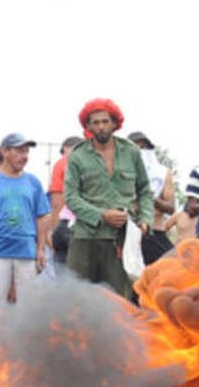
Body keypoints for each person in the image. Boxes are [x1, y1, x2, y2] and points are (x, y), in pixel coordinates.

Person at [64, 98, 153, 298]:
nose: (101, 127)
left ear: (114, 123)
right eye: (95, 122)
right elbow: (71, 197)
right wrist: (102, 215)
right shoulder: (78, 156)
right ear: (87, 126)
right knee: (76, 299)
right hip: (85, 238)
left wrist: (145, 219)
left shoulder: (131, 152)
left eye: (105, 121)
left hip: (121, 239)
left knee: (118, 299)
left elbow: (145, 189)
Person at [0, 133, 49, 305]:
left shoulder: (33, 182)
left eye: (26, 152)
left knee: (27, 305)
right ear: (5, 152)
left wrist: (41, 249)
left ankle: (23, 333)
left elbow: (42, 217)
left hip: (26, 251)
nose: (24, 156)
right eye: (19, 151)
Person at [128, 131, 175, 266]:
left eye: (144, 147)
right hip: (129, 234)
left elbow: (171, 208)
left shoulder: (162, 174)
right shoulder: (120, 174)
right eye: (136, 148)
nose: (141, 151)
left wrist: (149, 197)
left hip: (155, 233)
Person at [47, 136, 83, 266]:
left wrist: (54, 232)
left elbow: (57, 202)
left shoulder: (62, 163)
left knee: (65, 276)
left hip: (68, 225)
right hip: (90, 228)